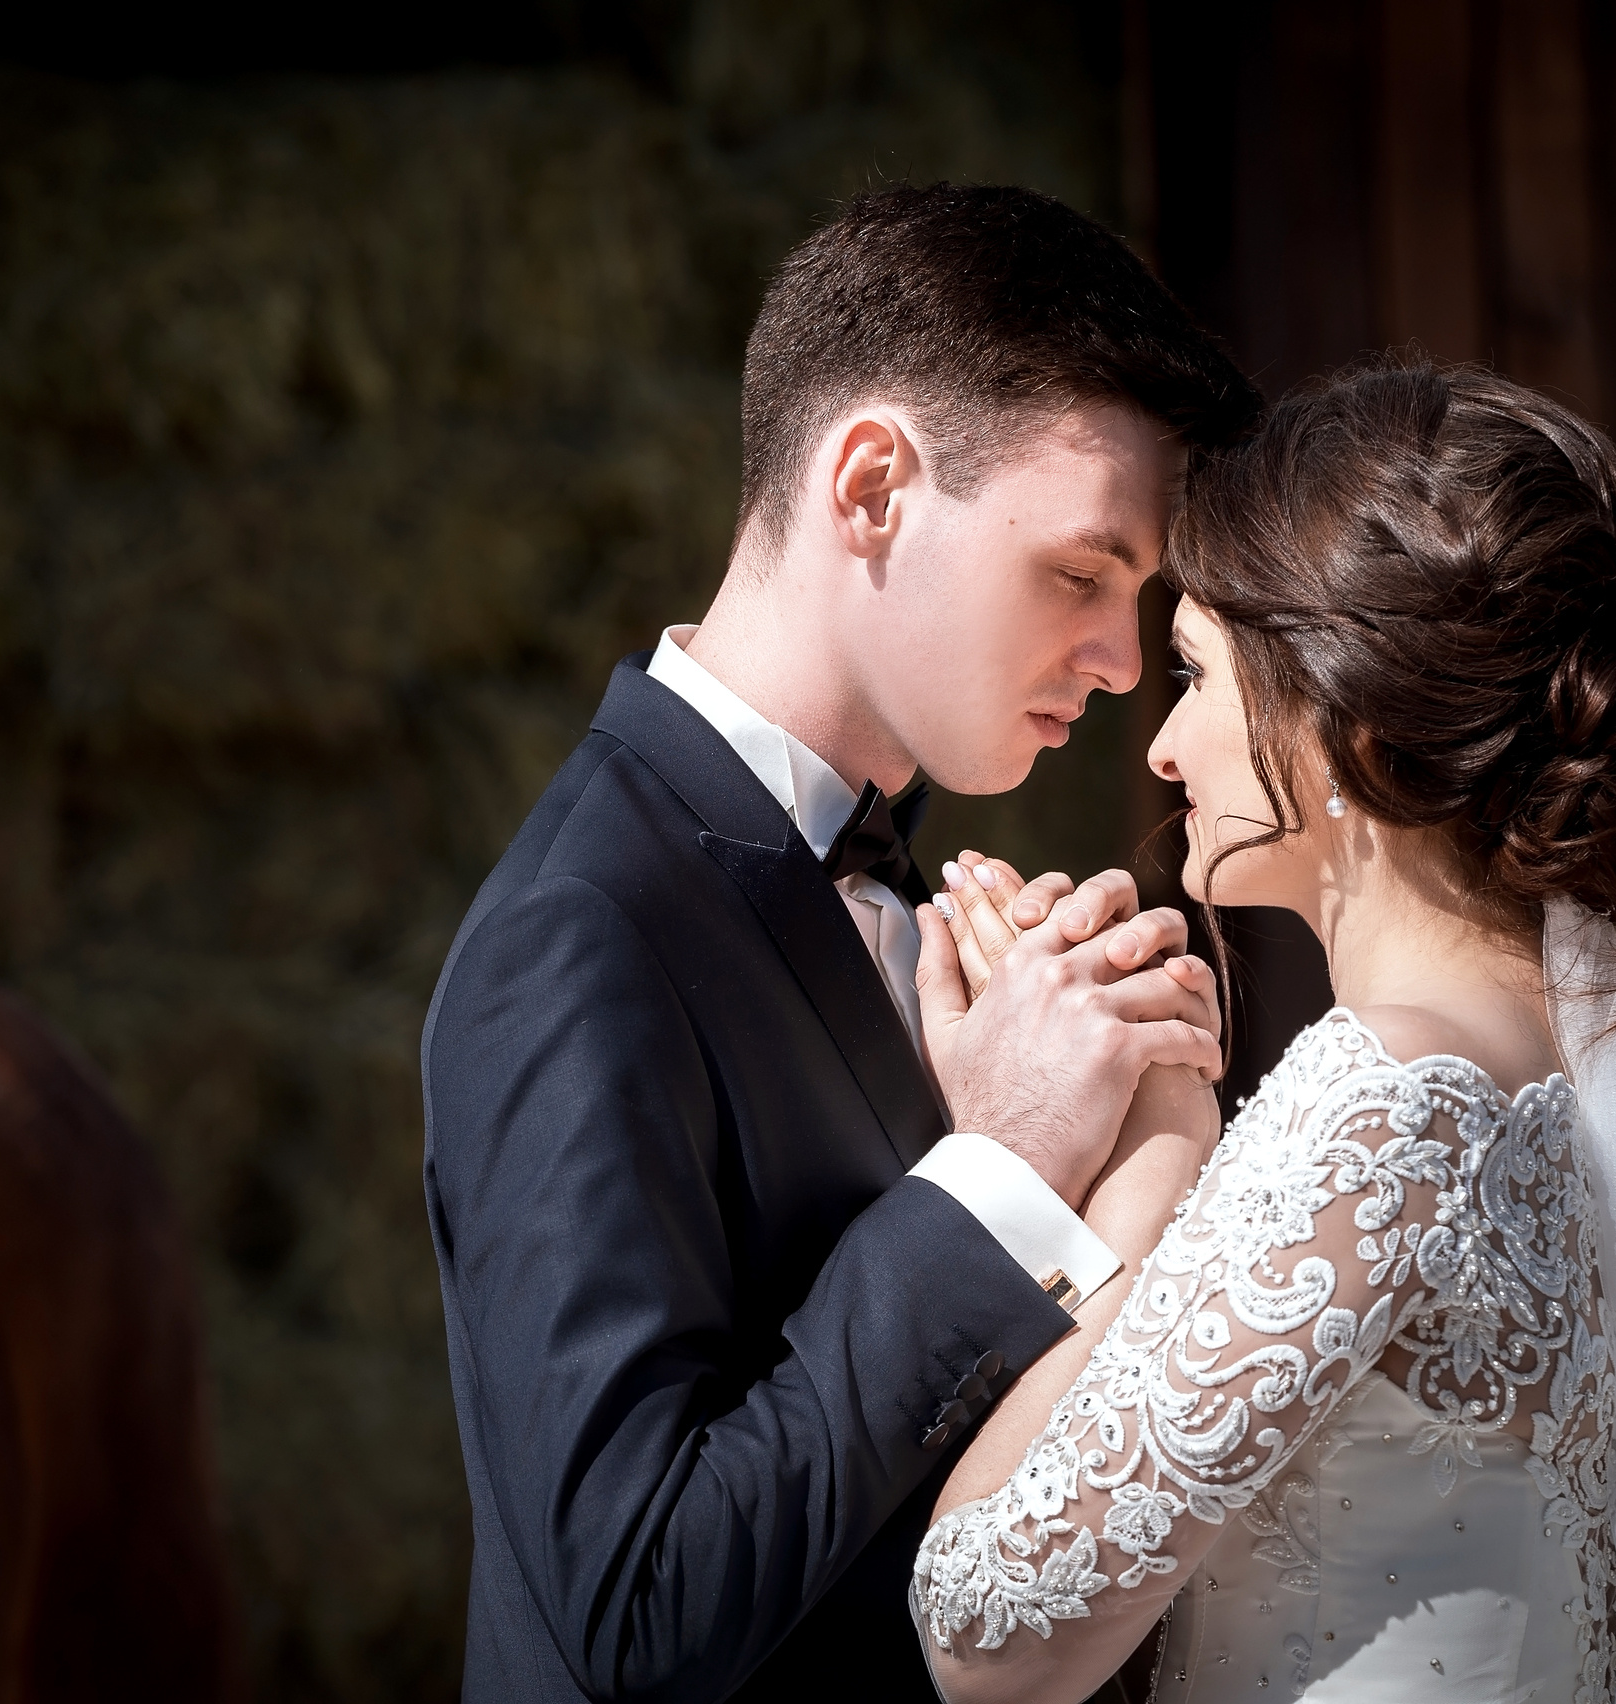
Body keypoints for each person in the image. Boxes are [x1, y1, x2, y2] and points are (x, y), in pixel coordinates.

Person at [910, 359, 1616, 1704]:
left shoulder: (1387, 1098)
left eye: (1196, 675)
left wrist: (1145, 1184)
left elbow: (984, 1627)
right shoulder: (1573, 1083)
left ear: (1344, 718)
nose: (1166, 748)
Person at [419, 182, 1257, 1702]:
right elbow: (639, 1607)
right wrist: (998, 1167)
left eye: (1140, 603)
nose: (1125, 665)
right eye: (1082, 574)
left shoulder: (897, 897)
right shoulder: (580, 933)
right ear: (870, 485)